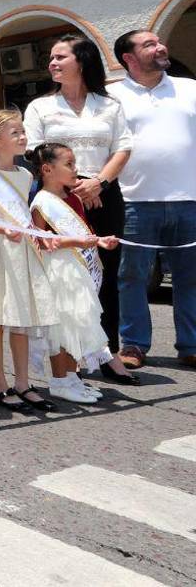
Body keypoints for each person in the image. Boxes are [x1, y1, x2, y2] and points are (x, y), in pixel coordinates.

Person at [23, 34, 136, 385]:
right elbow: (33, 153)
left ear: (82, 60)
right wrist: (74, 186)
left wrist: (98, 183)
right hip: (58, 201)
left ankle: (108, 354)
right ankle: (68, 360)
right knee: (64, 279)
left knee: (107, 278)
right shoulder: (41, 107)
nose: (52, 63)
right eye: (51, 59)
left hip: (103, 196)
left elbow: (123, 148)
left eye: (60, 57)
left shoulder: (109, 104)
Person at [107, 30, 196, 369]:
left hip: (190, 199)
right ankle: (134, 346)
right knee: (133, 278)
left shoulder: (189, 88)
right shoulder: (111, 96)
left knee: (191, 278)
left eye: (159, 42)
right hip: (134, 202)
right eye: (149, 44)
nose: (160, 47)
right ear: (128, 58)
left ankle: (191, 345)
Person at [0, 110, 58, 413]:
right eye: (15, 132)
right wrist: (1, 228)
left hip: (22, 253)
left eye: (22, 132)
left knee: (21, 320)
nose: (22, 137)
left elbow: (24, 215)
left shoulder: (26, 175)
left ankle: (23, 382)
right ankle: (0, 384)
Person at [27, 142, 123, 404]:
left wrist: (98, 241)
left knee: (75, 325)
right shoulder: (41, 203)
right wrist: (85, 242)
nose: (75, 169)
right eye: (69, 164)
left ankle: (71, 378)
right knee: (61, 329)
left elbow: (84, 233)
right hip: (58, 273)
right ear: (47, 169)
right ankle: (59, 380)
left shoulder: (71, 199)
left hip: (76, 270)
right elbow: (43, 243)